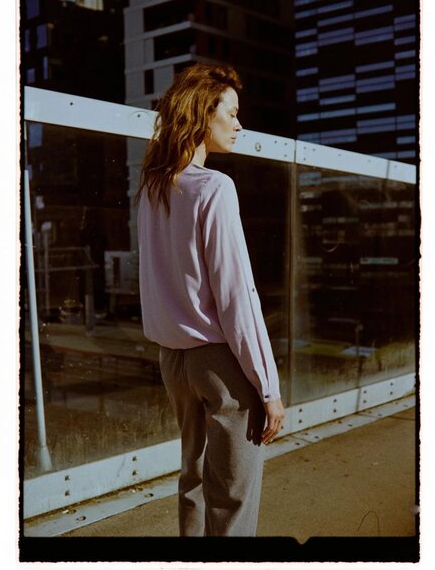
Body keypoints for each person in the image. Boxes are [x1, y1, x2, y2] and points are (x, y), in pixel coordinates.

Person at [135, 63, 285, 537]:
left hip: (173, 361)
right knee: (233, 499)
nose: (239, 124)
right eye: (232, 113)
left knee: (194, 483)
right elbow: (236, 294)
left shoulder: (153, 188)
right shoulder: (215, 187)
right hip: (219, 364)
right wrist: (268, 387)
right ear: (203, 114)